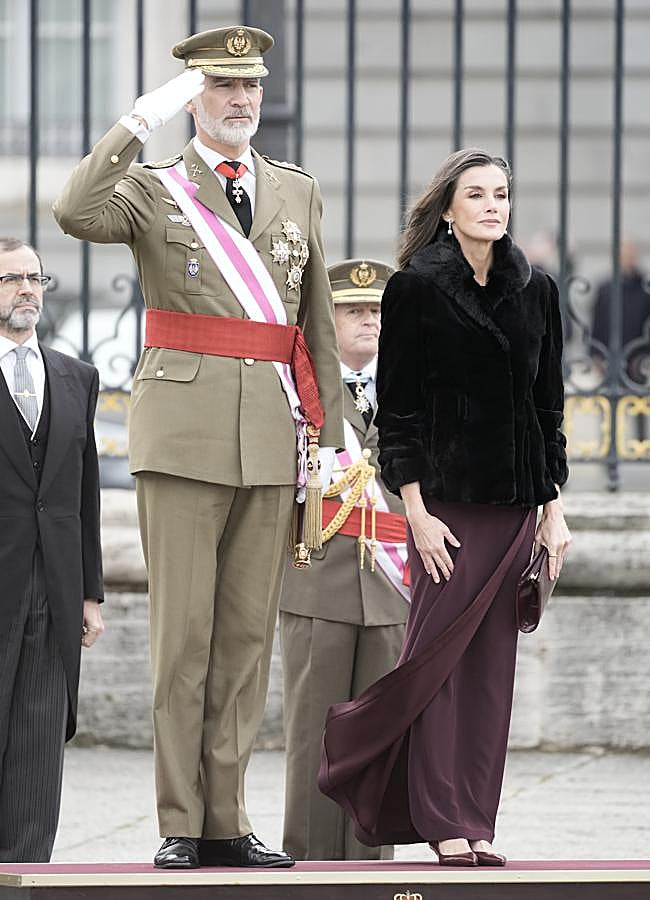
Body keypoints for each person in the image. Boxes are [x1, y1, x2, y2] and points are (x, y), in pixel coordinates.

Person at [53, 25, 343, 870]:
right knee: (183, 640)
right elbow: (74, 211)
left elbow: (317, 326)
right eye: (222, 86)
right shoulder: (154, 190)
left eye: (250, 86)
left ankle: (228, 820)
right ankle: (181, 819)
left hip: (272, 435)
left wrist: (327, 443)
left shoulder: (296, 190)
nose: (240, 100)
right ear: (192, 98)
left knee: (246, 643)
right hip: (182, 436)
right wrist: (138, 121)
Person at [318, 149, 571, 867]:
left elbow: (547, 412)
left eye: (502, 194)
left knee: (490, 673)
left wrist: (553, 510)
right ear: (449, 209)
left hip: (516, 511)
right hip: (447, 513)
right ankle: (435, 815)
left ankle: (475, 820)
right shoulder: (415, 289)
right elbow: (398, 414)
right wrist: (417, 512)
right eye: (478, 195)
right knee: (436, 665)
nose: (493, 206)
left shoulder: (538, 291)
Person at [280, 259, 409, 861]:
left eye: (377, 310)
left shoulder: (413, 387)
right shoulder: (298, 387)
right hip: (317, 579)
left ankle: (370, 868)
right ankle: (310, 865)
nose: (369, 321)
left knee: (381, 735)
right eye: (353, 310)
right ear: (326, 321)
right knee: (313, 734)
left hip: (392, 585)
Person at [0, 237, 104, 862]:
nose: (27, 290)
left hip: (57, 587)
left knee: (40, 736)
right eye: (11, 279)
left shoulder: (77, 377)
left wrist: (91, 592)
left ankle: (26, 871)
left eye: (35, 278)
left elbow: (84, 491)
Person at [591, 239, 650, 384]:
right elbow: (597, 324)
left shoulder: (645, 288)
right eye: (624, 255)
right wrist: (595, 355)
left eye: (630, 255)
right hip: (609, 358)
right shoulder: (605, 288)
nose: (627, 259)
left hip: (638, 359)